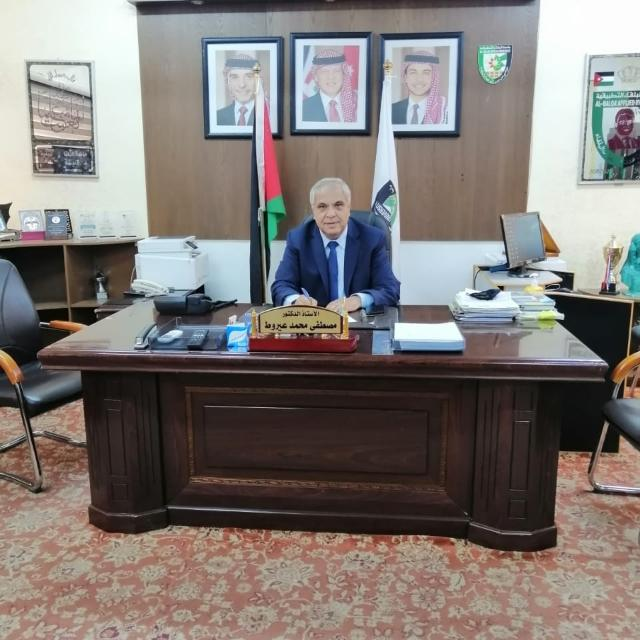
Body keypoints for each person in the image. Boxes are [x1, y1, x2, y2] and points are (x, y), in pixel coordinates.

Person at [271, 177, 400, 312]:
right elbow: (281, 285)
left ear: (348, 208)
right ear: (313, 211)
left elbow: (390, 288)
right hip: (315, 321)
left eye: (338, 205)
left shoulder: (372, 238)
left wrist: (358, 300)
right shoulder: (298, 239)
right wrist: (295, 300)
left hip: (357, 320)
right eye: (322, 206)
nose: (331, 214)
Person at [391, 48, 447, 125]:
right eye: (413, 72)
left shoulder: (443, 111)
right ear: (405, 77)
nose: (419, 79)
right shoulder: (391, 110)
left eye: (426, 73)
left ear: (433, 78)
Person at [302, 48, 358, 123]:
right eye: (325, 71)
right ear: (315, 76)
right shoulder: (304, 108)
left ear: (344, 74)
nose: (331, 77)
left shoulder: (357, 105)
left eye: (336, 70)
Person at [216, 52, 258, 126]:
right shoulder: (218, 117)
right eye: (235, 77)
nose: (242, 85)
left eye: (249, 76)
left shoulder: (267, 115)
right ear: (227, 82)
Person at [604, 108, 640, 180]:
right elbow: (608, 166)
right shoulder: (611, 142)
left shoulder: (636, 142)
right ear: (616, 124)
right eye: (622, 120)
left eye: (629, 120)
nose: (626, 123)